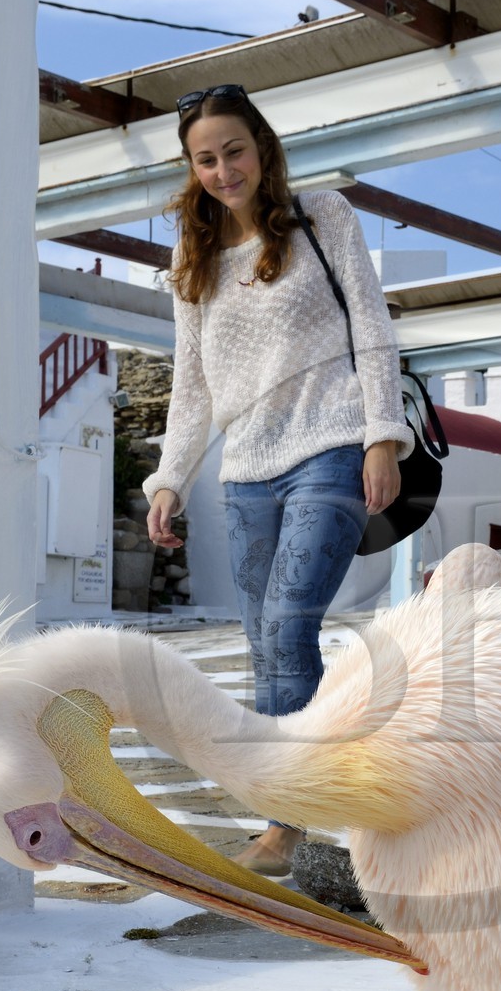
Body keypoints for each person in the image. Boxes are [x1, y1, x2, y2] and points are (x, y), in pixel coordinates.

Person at [144, 83, 413, 875]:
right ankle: (334, 783)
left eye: (234, 150)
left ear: (262, 148)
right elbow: (191, 386)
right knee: (265, 644)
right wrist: (168, 479)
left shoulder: (323, 218)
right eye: (206, 159)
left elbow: (373, 327)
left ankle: (284, 822)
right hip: (246, 473)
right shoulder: (192, 260)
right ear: (193, 169)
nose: (223, 170)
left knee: (290, 626)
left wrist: (382, 437)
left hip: (330, 448)